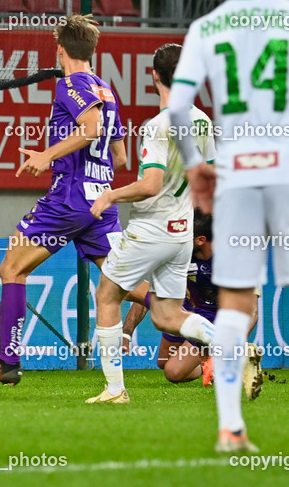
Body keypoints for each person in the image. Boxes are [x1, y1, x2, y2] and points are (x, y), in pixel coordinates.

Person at [167, 0, 289, 453]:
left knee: (232, 301)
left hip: (238, 173)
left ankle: (230, 428)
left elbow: (179, 106)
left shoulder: (206, 30)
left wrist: (194, 166)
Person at [0, 14, 132, 385]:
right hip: (101, 199)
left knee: (12, 268)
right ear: (92, 49)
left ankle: (8, 361)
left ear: (60, 49)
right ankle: (198, 332)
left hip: (69, 198)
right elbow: (120, 158)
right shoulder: (108, 91)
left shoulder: (70, 85)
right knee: (128, 281)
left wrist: (48, 155)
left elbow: (90, 130)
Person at [84, 43, 218, 404]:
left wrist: (111, 195)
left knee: (107, 295)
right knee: (167, 315)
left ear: (154, 76)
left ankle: (114, 390)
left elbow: (151, 185)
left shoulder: (158, 126)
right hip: (182, 233)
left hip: (152, 229)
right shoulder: (202, 120)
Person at [121, 211, 263, 397]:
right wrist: (127, 332)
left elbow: (251, 310)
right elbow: (152, 296)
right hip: (186, 311)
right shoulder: (177, 255)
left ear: (201, 240)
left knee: (173, 372)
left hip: (217, 317)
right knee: (164, 361)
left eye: (185, 236)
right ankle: (211, 368)